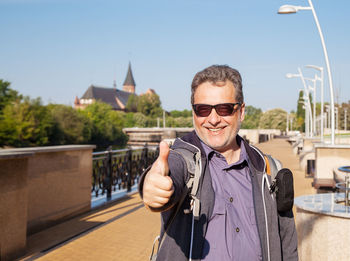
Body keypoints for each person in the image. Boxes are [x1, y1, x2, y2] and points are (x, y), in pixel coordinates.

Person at [139, 65, 298, 261]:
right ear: (194, 114)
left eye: (224, 109)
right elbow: (168, 173)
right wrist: (152, 187)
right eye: (203, 109)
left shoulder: (268, 169)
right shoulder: (184, 160)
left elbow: (288, 241)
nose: (213, 119)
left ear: (241, 112)